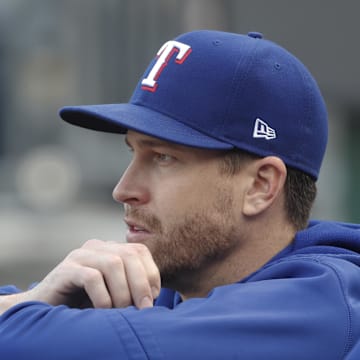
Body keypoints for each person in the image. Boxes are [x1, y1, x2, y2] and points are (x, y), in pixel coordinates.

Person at [0, 30, 360, 359]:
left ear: (260, 186)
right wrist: (35, 298)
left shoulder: (313, 308)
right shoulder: (176, 280)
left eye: (163, 158)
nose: (123, 190)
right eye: (133, 152)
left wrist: (33, 311)